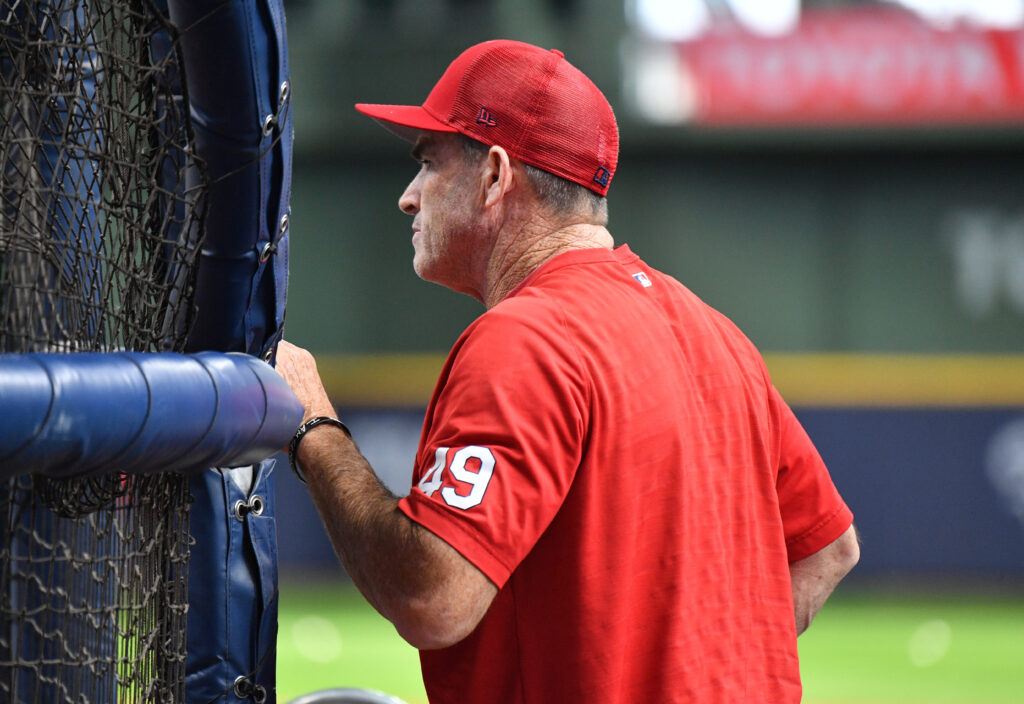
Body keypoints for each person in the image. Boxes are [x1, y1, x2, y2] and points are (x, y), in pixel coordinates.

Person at [274, 39, 860, 704]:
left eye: (430, 164)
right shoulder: (714, 332)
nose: (410, 199)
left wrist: (314, 428)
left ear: (494, 176)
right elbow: (828, 549)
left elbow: (432, 597)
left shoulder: (525, 340)